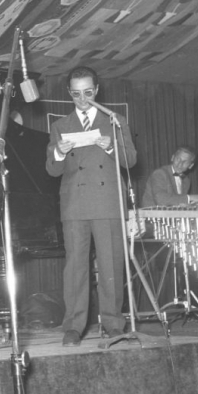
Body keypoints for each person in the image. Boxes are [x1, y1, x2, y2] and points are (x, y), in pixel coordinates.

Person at [45, 65, 137, 347]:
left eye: (87, 93)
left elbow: (131, 160)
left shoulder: (115, 120)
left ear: (97, 90)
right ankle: (73, 326)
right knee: (75, 269)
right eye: (76, 94)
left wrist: (111, 147)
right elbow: (51, 170)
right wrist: (59, 153)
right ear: (69, 94)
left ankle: (112, 323)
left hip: (108, 202)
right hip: (74, 205)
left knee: (111, 266)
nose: (82, 100)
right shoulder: (60, 126)